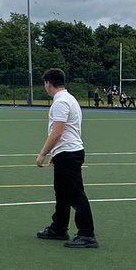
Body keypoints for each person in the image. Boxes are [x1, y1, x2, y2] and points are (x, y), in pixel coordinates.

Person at [35, 68, 97, 248]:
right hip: (66, 153)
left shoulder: (61, 102)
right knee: (62, 193)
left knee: (75, 194)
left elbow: (58, 132)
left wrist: (43, 153)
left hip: (69, 154)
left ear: (48, 83)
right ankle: (59, 228)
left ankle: (87, 234)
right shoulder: (69, 98)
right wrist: (56, 153)